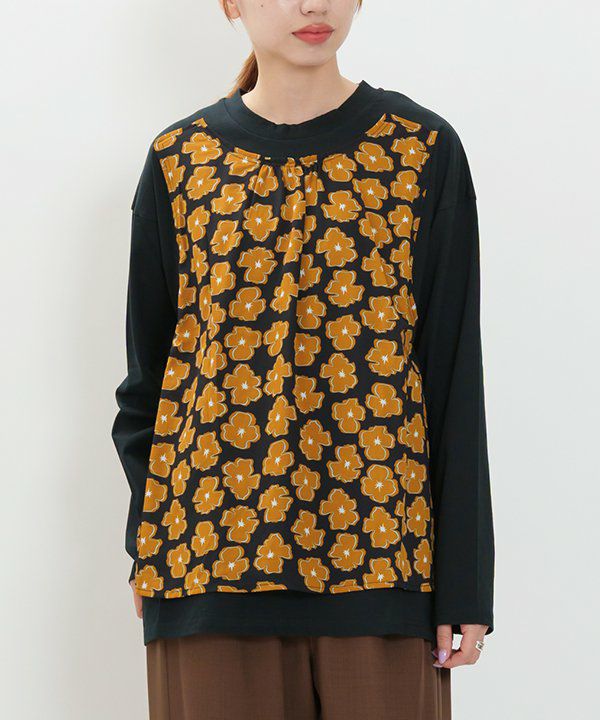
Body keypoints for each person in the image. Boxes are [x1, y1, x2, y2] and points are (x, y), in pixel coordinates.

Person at [111, 1, 495, 718]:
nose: (313, 5)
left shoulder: (420, 149)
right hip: (206, 566)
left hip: (381, 566)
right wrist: (149, 543)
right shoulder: (180, 160)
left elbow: (452, 379)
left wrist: (465, 585)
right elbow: (149, 385)